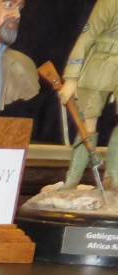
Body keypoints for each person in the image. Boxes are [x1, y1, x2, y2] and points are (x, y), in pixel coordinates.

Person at [59, 1, 118, 188]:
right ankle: (71, 181)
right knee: (87, 124)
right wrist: (71, 77)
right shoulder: (110, 3)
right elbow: (87, 36)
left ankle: (115, 178)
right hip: (101, 65)